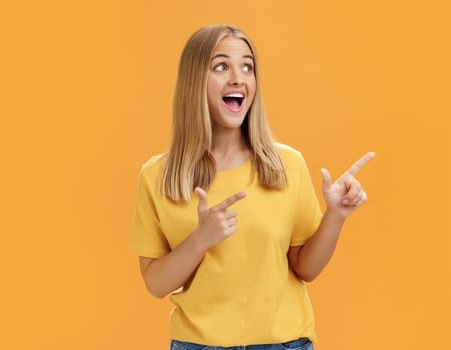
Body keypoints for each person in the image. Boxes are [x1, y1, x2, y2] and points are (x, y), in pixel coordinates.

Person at [130, 24, 373, 350]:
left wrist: (336, 215)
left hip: (284, 344)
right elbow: (156, 285)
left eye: (247, 66)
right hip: (198, 345)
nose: (238, 78)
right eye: (221, 66)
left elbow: (306, 268)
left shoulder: (285, 165)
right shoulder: (158, 175)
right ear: (194, 81)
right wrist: (201, 239)